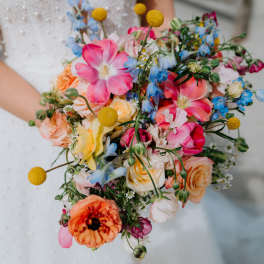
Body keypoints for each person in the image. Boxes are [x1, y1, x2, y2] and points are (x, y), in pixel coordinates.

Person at [0, 1, 223, 264]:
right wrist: (66, 125)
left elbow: (160, 16)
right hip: (26, 113)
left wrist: (166, 91)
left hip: (131, 99)